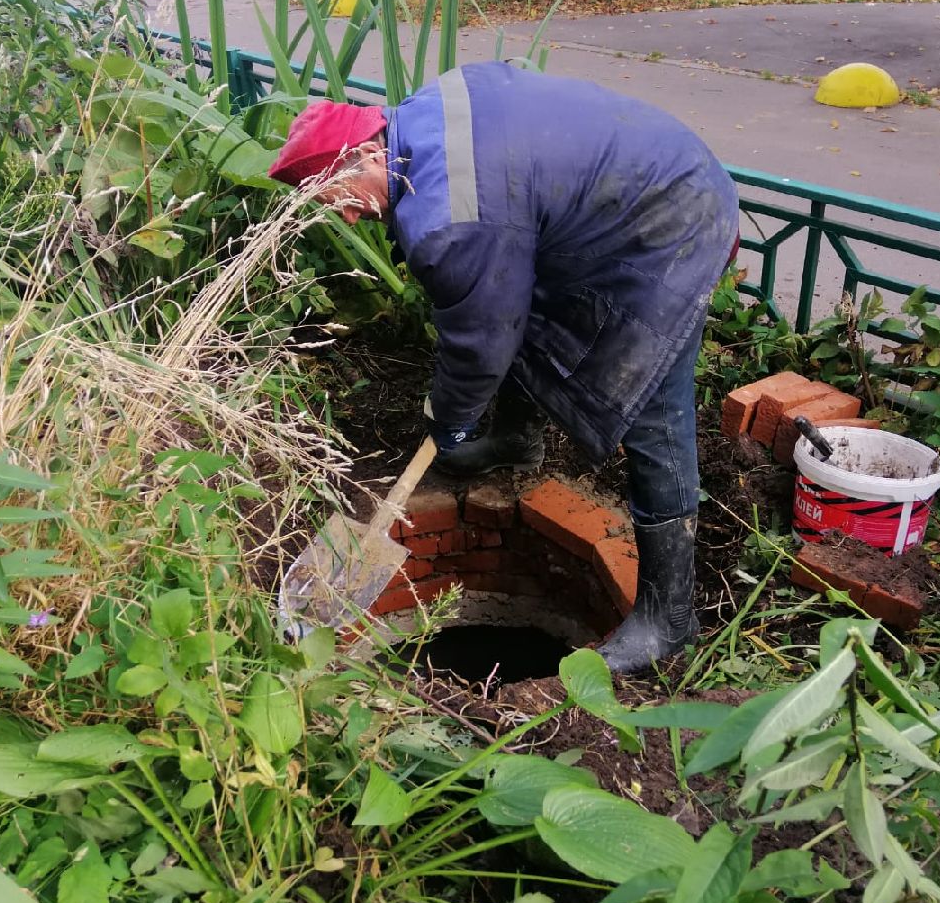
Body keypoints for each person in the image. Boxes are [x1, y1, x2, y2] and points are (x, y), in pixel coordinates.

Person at [269, 62, 739, 673]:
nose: (352, 217)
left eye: (342, 199)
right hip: (626, 187)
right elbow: (502, 303)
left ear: (366, 154)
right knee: (522, 306)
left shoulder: (450, 218)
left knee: (650, 401)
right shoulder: (423, 117)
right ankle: (518, 441)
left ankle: (668, 616)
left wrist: (450, 420)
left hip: (667, 220)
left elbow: (480, 344)